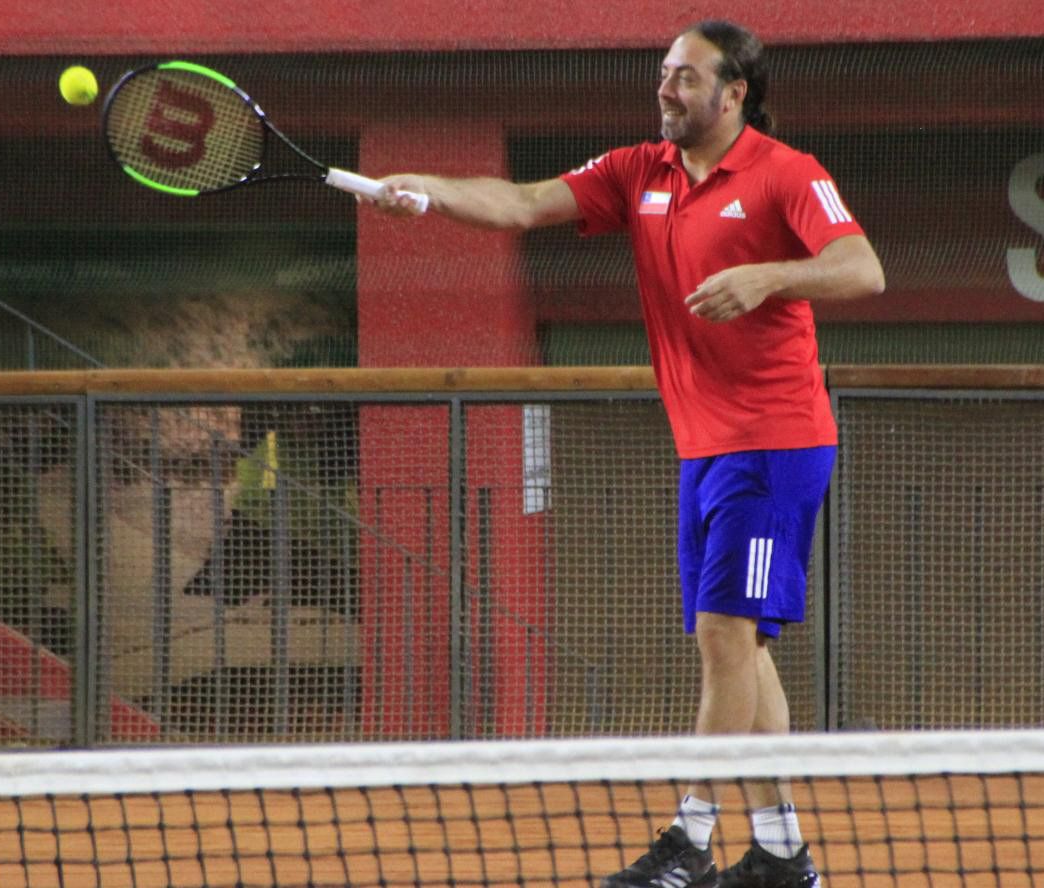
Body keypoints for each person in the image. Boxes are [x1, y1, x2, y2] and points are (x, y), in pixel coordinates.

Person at [367, 19, 884, 888]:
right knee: (743, 648)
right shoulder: (638, 171)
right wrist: (429, 190)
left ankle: (689, 839)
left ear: (735, 93)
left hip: (776, 440)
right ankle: (781, 852)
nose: (667, 88)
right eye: (665, 72)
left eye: (687, 77)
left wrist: (768, 275)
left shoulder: (787, 173)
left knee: (724, 632)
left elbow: (862, 268)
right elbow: (523, 203)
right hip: (703, 445)